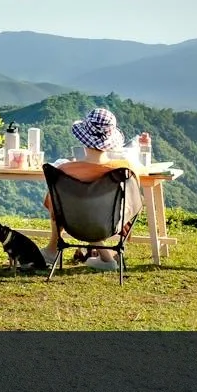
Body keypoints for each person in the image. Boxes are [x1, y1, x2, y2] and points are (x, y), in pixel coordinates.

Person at [44, 107, 143, 270]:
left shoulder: (64, 170)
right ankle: (108, 258)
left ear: (83, 140)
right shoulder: (123, 170)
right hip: (110, 225)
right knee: (95, 212)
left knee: (78, 209)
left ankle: (52, 249)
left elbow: (54, 208)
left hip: (74, 224)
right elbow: (135, 203)